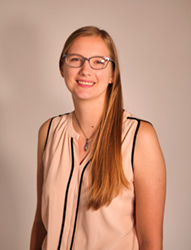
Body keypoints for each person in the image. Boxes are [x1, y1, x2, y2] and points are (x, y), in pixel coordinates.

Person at [30, 26, 166, 250]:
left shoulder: (139, 137)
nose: (85, 69)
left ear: (113, 74)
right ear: (62, 68)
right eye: (75, 59)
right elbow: (40, 224)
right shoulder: (49, 132)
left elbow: (151, 241)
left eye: (98, 61)